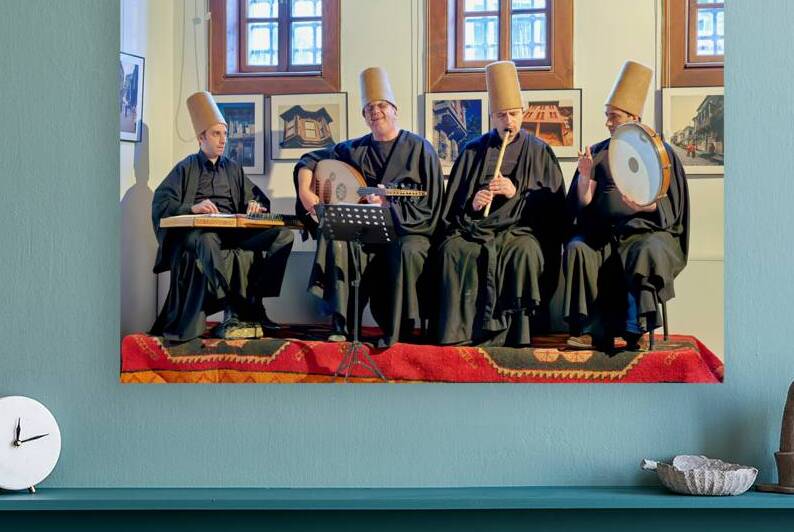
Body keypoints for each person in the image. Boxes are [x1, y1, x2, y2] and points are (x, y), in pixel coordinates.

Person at [293, 67, 444, 346]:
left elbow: (431, 204)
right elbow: (309, 159)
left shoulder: (421, 149)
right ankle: (342, 323)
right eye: (369, 108)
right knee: (337, 238)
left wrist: (391, 208)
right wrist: (305, 190)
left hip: (406, 231)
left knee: (405, 249)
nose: (376, 111)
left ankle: (398, 330)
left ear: (395, 110)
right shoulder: (353, 150)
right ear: (364, 116)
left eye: (382, 105)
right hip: (364, 231)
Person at [435, 61, 568, 347]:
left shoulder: (540, 151)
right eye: (502, 115)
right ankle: (460, 332)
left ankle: (515, 335)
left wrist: (516, 194)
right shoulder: (472, 150)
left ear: (523, 114)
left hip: (520, 230)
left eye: (513, 114)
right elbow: (453, 206)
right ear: (492, 118)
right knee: (453, 251)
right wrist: (473, 203)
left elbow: (554, 207)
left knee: (525, 252)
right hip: (476, 227)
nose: (508, 121)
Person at [563, 61, 689, 352]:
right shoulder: (597, 152)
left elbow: (670, 209)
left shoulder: (661, 153)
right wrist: (583, 178)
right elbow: (582, 204)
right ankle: (587, 331)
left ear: (634, 117)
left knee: (643, 250)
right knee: (578, 247)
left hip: (645, 231)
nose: (608, 122)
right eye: (607, 116)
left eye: (614, 116)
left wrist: (643, 207)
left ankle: (635, 329)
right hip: (602, 232)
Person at [150, 91, 294, 342]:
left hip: (233, 231)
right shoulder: (186, 167)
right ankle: (228, 301)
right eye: (216, 134)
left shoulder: (233, 168)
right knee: (207, 240)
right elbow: (162, 202)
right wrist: (192, 208)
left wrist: (255, 205)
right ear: (200, 137)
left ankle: (254, 300)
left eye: (225, 134)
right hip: (200, 234)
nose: (222, 140)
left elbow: (257, 197)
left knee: (283, 235)